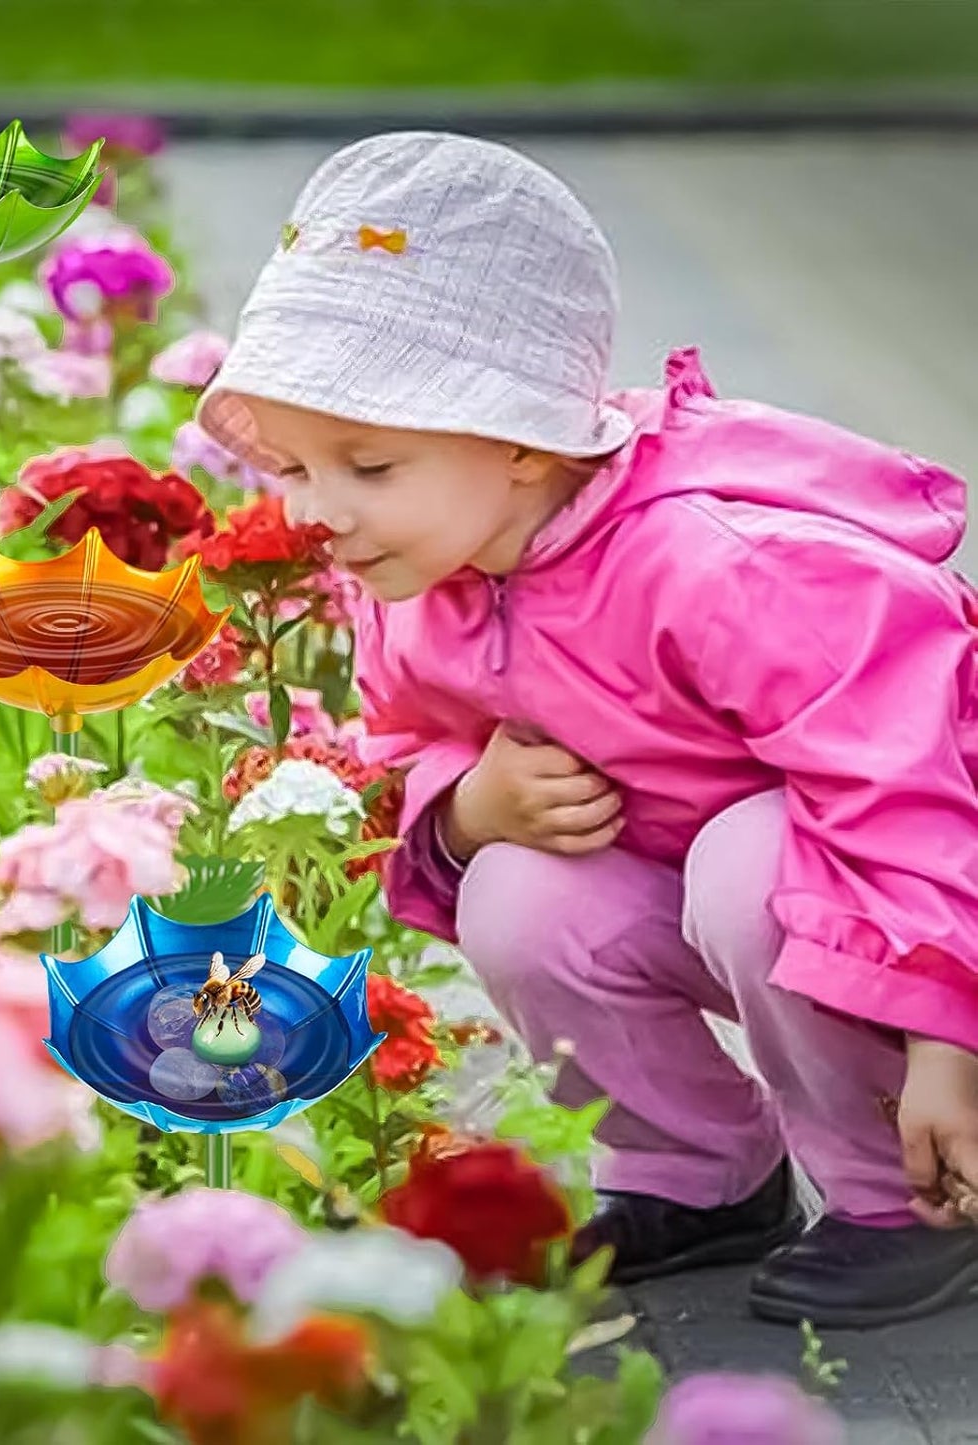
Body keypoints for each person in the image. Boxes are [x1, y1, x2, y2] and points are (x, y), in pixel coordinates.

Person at [194, 131, 978, 1327]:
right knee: (513, 886)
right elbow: (406, 743)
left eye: (364, 464)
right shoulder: (429, 576)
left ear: (521, 441)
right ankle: (698, 1173)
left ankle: (904, 1191)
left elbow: (912, 788)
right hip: (727, 906)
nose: (317, 514)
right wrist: (464, 809)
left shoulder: (719, 564)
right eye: (296, 467)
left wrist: (945, 1037)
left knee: (743, 861)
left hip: (916, 913)